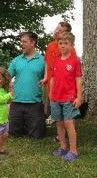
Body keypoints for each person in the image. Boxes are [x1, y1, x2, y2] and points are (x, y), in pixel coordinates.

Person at [39, 22, 77, 142]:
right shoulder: (50, 46)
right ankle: (60, 136)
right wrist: (46, 77)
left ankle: (68, 135)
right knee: (55, 112)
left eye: (60, 30)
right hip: (52, 85)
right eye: (56, 28)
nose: (56, 31)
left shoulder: (71, 50)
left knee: (67, 113)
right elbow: (47, 63)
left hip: (66, 88)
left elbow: (74, 70)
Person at [49, 32, 83, 162]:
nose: (63, 46)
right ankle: (62, 147)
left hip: (69, 97)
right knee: (58, 122)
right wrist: (51, 95)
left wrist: (78, 97)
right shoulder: (56, 61)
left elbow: (78, 80)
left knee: (68, 122)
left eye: (66, 43)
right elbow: (52, 79)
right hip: (56, 98)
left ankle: (73, 150)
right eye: (60, 43)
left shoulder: (74, 61)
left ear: (72, 45)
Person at [8, 32, 46, 139]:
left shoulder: (43, 61)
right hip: (17, 101)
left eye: (24, 42)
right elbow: (6, 77)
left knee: (37, 135)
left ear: (33, 43)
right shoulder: (16, 60)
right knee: (13, 133)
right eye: (21, 42)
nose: (21, 44)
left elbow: (48, 81)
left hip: (35, 102)